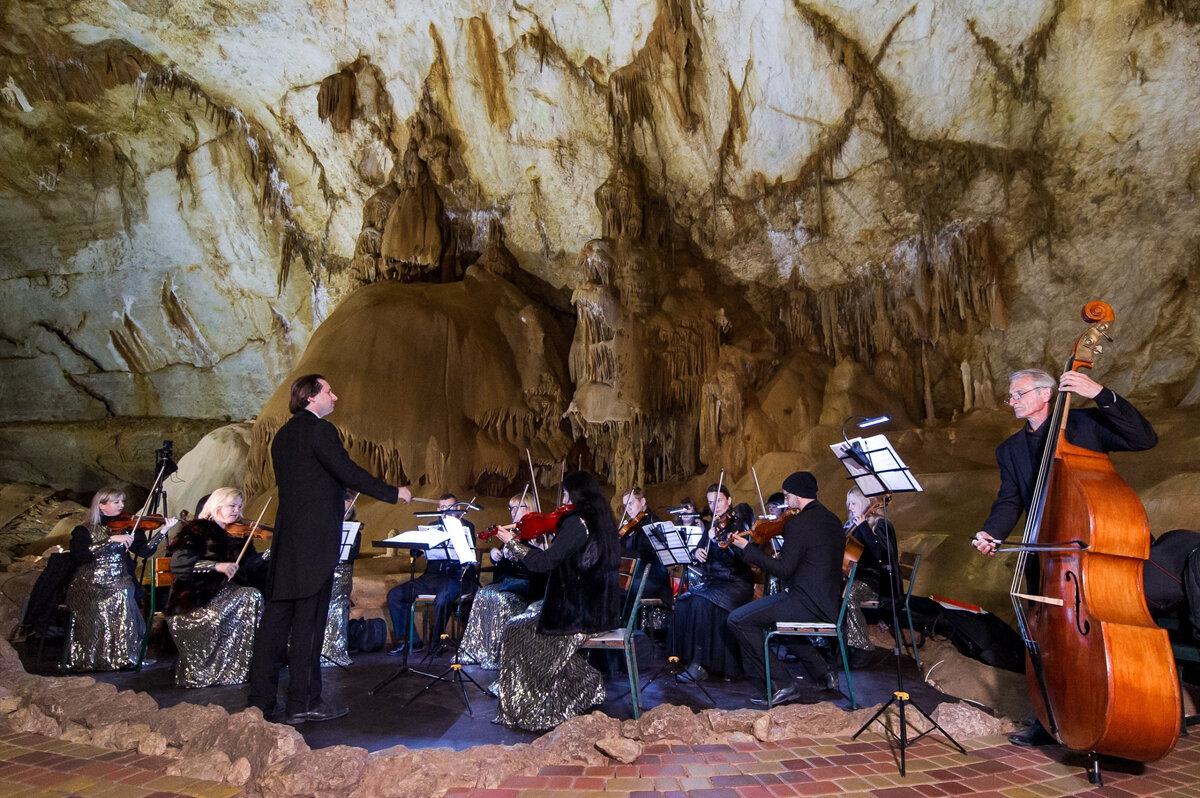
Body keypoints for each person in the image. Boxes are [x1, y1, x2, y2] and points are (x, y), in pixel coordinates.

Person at [971, 367, 1157, 745]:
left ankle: (1114, 709)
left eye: (1017, 394)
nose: (1011, 401)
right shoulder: (1009, 449)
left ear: (1046, 395)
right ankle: (1049, 717)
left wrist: (1101, 393)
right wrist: (992, 532)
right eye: (1011, 395)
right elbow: (1010, 500)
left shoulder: (1085, 425)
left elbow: (1145, 438)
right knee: (1050, 640)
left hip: (1089, 552)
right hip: (1046, 556)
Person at [247, 374, 411, 725]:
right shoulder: (319, 430)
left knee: (275, 624)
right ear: (310, 398)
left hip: (287, 542)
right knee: (308, 624)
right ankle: (303, 702)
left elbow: (311, 483)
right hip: (313, 545)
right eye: (328, 391)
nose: (334, 397)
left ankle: (260, 701)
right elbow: (346, 470)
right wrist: (392, 493)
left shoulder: (283, 436)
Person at [492, 470, 621, 731]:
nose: (563, 500)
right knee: (525, 617)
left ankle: (540, 704)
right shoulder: (602, 519)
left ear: (576, 494)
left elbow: (547, 563)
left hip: (580, 611)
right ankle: (576, 684)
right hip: (597, 605)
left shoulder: (578, 522)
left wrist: (513, 545)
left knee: (515, 629)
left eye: (565, 493)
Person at [727, 471, 844, 705]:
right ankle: (824, 673)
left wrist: (747, 550)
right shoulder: (833, 520)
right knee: (777, 620)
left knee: (738, 619)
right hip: (831, 604)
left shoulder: (799, 523)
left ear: (798, 496)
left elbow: (783, 570)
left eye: (786, 495)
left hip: (808, 603)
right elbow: (816, 560)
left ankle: (782, 683)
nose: (785, 501)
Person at [164, 488, 265, 687]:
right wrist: (216, 566)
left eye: (239, 506)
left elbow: (251, 567)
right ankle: (220, 669)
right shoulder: (196, 529)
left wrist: (272, 554)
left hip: (226, 593)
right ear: (217, 506)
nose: (237, 510)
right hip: (195, 597)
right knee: (249, 597)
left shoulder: (239, 534)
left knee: (252, 595)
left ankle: (238, 668)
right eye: (232, 506)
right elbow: (178, 563)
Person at [666, 484, 756, 681]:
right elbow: (698, 552)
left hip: (736, 583)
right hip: (715, 583)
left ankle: (701, 664)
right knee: (682, 602)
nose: (715, 506)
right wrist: (696, 552)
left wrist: (719, 542)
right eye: (710, 502)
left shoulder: (739, 523)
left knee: (700, 603)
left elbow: (743, 557)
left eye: (719, 501)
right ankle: (680, 660)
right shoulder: (710, 526)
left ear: (729, 500)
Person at [385, 493, 478, 656]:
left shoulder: (466, 526)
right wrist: (418, 548)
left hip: (455, 576)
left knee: (444, 597)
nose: (446, 511)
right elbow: (419, 553)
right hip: (431, 577)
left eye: (450, 507)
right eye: (442, 508)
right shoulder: (432, 526)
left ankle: (436, 644)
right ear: (437, 510)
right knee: (395, 594)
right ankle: (411, 641)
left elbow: (467, 554)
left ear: (457, 509)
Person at [459, 493, 544, 669]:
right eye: (510, 508)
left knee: (500, 600)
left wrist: (529, 548)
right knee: (482, 594)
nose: (512, 512)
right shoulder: (512, 533)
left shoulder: (539, 534)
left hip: (529, 584)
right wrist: (494, 555)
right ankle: (476, 651)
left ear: (529, 507)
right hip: (510, 582)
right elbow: (503, 563)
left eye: (517, 507)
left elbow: (539, 564)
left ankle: (499, 656)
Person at [841, 486, 900, 668]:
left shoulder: (881, 525)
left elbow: (885, 556)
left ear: (866, 503)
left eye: (854, 503)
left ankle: (862, 646)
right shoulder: (853, 526)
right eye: (848, 503)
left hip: (877, 583)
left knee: (848, 594)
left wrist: (865, 528)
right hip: (857, 579)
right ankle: (836, 644)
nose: (850, 507)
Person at [320, 490, 362, 667]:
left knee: (337, 604)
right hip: (323, 571)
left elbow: (351, 554)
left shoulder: (355, 531)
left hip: (342, 573)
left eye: (347, 512)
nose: (344, 514)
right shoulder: (322, 526)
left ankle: (334, 649)